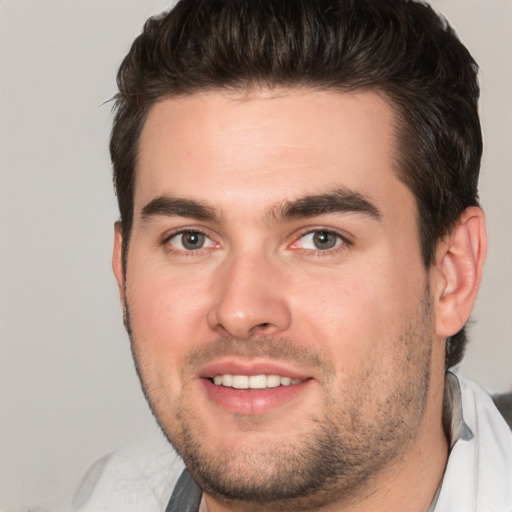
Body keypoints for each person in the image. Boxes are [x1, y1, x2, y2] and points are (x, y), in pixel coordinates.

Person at [73, 0, 512, 510]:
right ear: (123, 273)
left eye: (321, 239)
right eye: (191, 239)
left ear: (452, 274)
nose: (240, 310)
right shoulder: (109, 493)